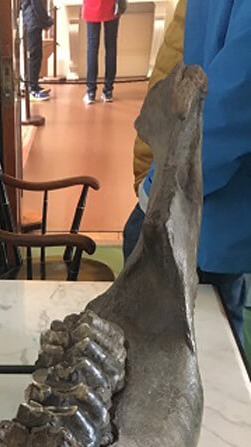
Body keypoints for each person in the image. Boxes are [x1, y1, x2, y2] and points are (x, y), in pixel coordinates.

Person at [123, 0, 251, 344]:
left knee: (205, 351)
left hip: (199, 208)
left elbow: (233, 106)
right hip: (193, 195)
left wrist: (159, 188)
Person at [82, 0, 120, 104]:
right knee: (111, 46)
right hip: (111, 5)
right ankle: (108, 91)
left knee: (92, 47)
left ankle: (91, 92)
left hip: (91, 5)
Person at [21, 0, 54, 102]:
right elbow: (37, 4)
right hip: (33, 20)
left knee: (36, 55)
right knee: (34, 56)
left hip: (31, 19)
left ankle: (33, 84)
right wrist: (46, 21)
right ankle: (32, 88)